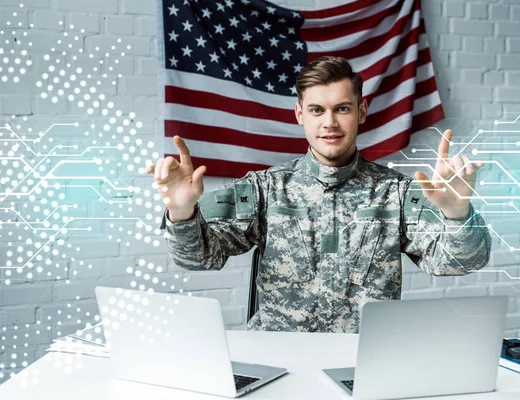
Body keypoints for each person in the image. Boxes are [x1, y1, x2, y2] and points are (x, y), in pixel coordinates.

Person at [145, 56, 491, 333]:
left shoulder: (395, 194)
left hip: (363, 361)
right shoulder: (264, 188)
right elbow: (197, 259)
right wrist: (181, 212)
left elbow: (459, 262)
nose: (330, 122)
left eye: (342, 108)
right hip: (278, 359)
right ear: (300, 114)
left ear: (362, 111)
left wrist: (457, 213)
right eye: (316, 110)